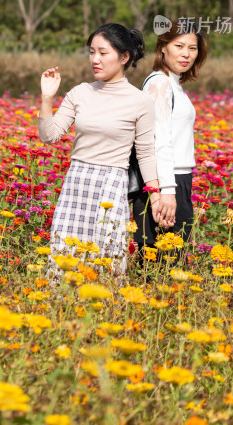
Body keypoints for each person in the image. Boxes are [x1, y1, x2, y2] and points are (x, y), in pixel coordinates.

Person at [38, 23, 160, 277]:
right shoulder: (80, 93)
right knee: (65, 257)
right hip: (76, 181)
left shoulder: (140, 101)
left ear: (124, 57)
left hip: (111, 182)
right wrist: (47, 98)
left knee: (106, 257)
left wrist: (156, 194)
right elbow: (50, 135)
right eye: (91, 52)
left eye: (103, 53)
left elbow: (146, 152)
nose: (95, 59)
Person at [132, 20, 208, 254]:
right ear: (163, 46)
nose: (186, 54)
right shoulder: (159, 84)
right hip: (167, 180)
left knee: (170, 261)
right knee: (164, 262)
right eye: (179, 46)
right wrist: (166, 191)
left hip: (177, 179)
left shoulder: (172, 83)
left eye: (192, 48)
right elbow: (159, 141)